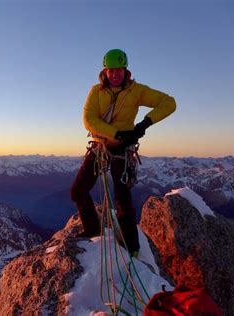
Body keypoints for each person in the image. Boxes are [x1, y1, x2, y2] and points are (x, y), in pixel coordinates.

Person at [70, 49, 176, 255]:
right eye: (111, 70)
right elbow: (88, 120)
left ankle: (132, 248)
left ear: (125, 70)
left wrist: (145, 123)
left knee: (122, 200)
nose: (115, 74)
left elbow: (169, 102)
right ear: (105, 71)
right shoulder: (96, 91)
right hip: (103, 145)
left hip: (122, 150)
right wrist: (117, 134)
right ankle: (92, 228)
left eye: (119, 70)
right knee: (78, 191)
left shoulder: (136, 90)